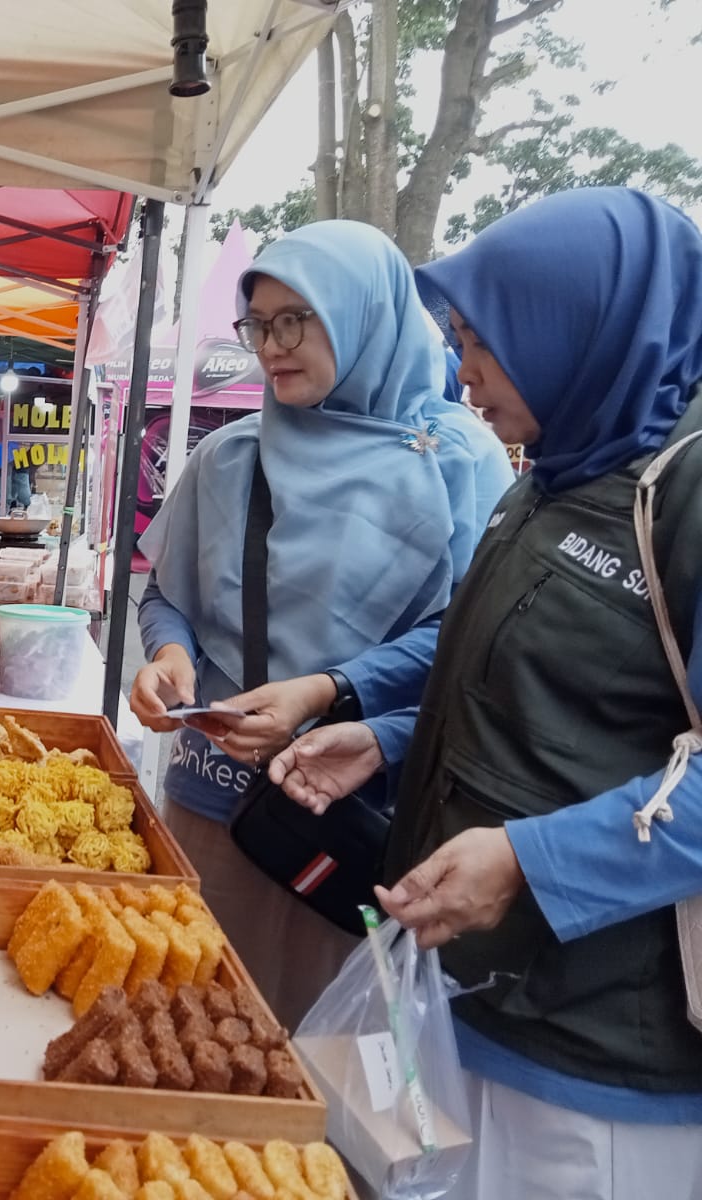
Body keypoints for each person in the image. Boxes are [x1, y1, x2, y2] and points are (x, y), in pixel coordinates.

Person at [269, 189, 702, 1198]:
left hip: (594, 1065)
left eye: (481, 342)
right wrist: (380, 733)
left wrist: (528, 860)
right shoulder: (552, 470)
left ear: (580, 327)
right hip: (451, 1006)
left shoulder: (682, 492)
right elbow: (516, 678)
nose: (460, 372)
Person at [126, 220, 515, 1027]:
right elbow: (166, 593)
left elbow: (469, 636)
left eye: (299, 318)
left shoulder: (457, 462)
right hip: (212, 805)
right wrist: (168, 655)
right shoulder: (229, 456)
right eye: (260, 323)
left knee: (320, 1076)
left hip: (353, 820)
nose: (273, 344)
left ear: (364, 315)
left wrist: (327, 692)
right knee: (182, 1039)